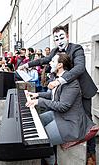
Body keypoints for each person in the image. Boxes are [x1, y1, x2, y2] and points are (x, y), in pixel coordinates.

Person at [19, 25, 98, 164]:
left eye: (62, 37)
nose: (59, 40)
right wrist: (27, 64)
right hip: (66, 88)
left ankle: (91, 154)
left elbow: (79, 68)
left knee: (86, 122)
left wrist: (59, 81)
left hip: (82, 89)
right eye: (56, 38)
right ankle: (61, 139)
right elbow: (44, 60)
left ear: (67, 36)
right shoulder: (55, 51)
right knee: (60, 112)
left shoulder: (76, 49)